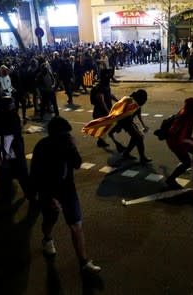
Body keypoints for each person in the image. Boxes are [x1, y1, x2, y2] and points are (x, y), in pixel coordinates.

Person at [30, 116, 101, 273]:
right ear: (54, 135)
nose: (68, 137)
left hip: (68, 190)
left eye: (68, 134)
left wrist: (74, 147)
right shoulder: (42, 147)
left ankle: (84, 262)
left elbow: (76, 164)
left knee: (76, 226)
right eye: (64, 134)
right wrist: (49, 198)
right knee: (50, 220)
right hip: (48, 191)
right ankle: (47, 238)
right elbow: (36, 175)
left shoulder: (68, 145)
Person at [165, 96, 193, 189]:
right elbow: (177, 136)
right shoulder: (184, 118)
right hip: (175, 142)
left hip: (182, 140)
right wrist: (190, 141)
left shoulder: (189, 112)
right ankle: (171, 179)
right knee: (186, 162)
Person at [112, 89, 152, 163]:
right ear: (140, 98)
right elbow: (121, 115)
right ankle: (142, 157)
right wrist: (118, 126)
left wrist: (144, 125)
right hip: (124, 121)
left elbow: (138, 114)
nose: (143, 103)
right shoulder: (129, 102)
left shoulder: (138, 102)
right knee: (139, 137)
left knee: (137, 137)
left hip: (129, 121)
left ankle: (126, 153)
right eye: (143, 101)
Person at [90, 69, 118, 147]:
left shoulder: (105, 85)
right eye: (108, 74)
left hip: (104, 111)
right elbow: (102, 102)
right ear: (105, 76)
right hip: (100, 112)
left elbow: (109, 95)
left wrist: (118, 101)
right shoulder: (100, 87)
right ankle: (103, 141)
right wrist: (108, 112)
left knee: (105, 128)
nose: (110, 76)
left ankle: (101, 141)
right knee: (105, 128)